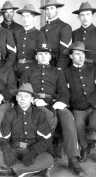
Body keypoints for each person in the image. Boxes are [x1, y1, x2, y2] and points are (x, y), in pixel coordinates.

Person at [20, 43, 85, 176]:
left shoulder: (57, 72)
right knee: (46, 115)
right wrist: (34, 100)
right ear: (36, 57)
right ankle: (45, 158)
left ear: (50, 57)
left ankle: (73, 159)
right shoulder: (28, 71)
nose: (43, 56)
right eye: (41, 54)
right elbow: (23, 90)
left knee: (67, 115)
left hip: (54, 102)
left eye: (46, 54)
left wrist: (61, 102)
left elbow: (64, 91)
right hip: (35, 104)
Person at [0, 83, 53, 177]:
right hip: (13, 149)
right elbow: (2, 138)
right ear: (16, 98)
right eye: (20, 96)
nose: (23, 99)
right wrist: (7, 150)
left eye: (26, 96)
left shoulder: (39, 113)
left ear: (32, 99)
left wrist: (34, 151)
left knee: (48, 159)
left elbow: (46, 140)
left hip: (32, 148)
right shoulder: (10, 113)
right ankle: (34, 172)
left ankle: (9, 171)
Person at [63, 41, 96, 164]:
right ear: (71, 56)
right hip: (78, 107)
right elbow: (66, 92)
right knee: (77, 124)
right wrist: (75, 104)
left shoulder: (94, 69)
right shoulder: (66, 73)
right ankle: (84, 148)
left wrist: (89, 102)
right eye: (77, 54)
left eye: (82, 54)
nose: (81, 57)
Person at [14, 4, 46, 78]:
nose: (25, 19)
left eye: (28, 16)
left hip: (33, 69)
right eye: (23, 16)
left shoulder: (39, 34)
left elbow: (41, 56)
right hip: (17, 69)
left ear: (33, 17)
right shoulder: (17, 33)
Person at [40, 0, 72, 69]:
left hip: (56, 64)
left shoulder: (65, 27)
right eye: (47, 9)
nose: (49, 11)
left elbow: (65, 54)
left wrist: (59, 70)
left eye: (52, 8)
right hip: (43, 65)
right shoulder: (43, 29)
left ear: (57, 9)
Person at [72, 2, 96, 72]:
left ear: (93, 15)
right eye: (82, 15)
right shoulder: (74, 33)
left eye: (88, 14)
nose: (85, 18)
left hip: (94, 70)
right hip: (75, 72)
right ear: (78, 17)